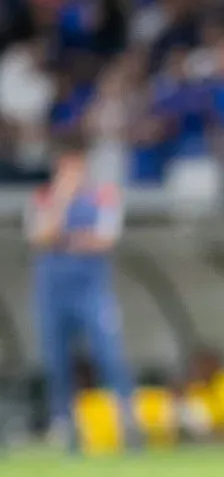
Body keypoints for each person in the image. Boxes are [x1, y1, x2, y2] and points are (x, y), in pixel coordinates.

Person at [23, 132, 135, 450]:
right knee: (57, 362)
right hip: (52, 294)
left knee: (110, 357)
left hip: (92, 291)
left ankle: (126, 424)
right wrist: (62, 202)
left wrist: (66, 240)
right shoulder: (44, 197)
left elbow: (104, 240)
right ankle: (67, 428)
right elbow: (41, 237)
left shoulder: (104, 197)